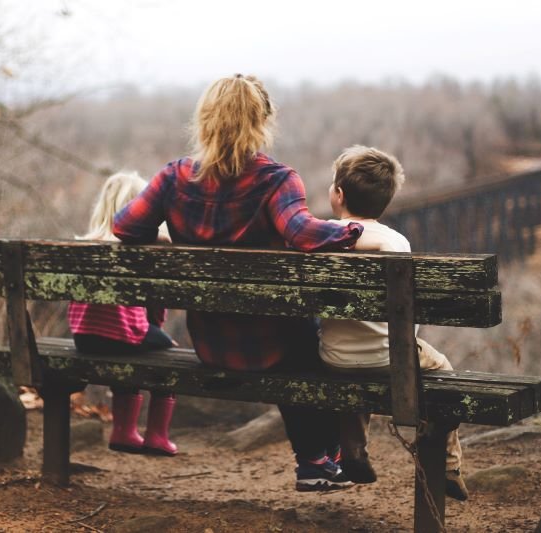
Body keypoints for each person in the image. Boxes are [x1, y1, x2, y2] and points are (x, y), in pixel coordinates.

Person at [113, 74, 364, 491]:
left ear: (205, 120)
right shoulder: (276, 180)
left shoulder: (173, 178)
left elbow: (125, 227)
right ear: (263, 121)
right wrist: (352, 230)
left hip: (211, 344)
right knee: (311, 338)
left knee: (299, 335)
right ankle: (318, 459)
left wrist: (161, 237)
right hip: (274, 347)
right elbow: (302, 233)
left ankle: (321, 459)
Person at [319, 145, 469, 500]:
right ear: (384, 202)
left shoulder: (320, 237)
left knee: (353, 362)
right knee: (443, 370)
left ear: (338, 195)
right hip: (392, 358)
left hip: (334, 358)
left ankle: (353, 450)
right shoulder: (396, 242)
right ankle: (448, 464)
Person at [68, 171, 179, 456]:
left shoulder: (84, 245)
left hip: (84, 338)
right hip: (123, 336)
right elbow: (155, 305)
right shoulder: (140, 248)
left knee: (130, 345)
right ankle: (156, 435)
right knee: (168, 354)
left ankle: (124, 431)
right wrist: (156, 328)